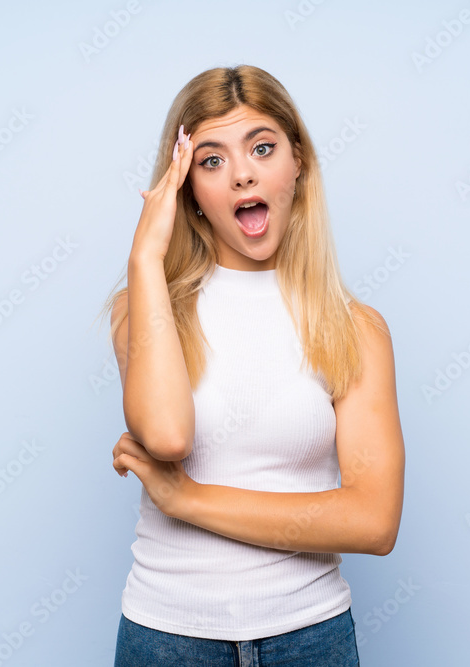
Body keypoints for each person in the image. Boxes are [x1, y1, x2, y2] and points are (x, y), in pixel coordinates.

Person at [99, 64, 405, 666]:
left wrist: (188, 500)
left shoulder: (355, 329)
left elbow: (373, 520)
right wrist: (145, 253)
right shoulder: (144, 307)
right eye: (210, 160)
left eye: (262, 148)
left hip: (310, 638)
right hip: (167, 640)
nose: (242, 173)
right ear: (187, 191)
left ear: (299, 165)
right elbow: (166, 435)